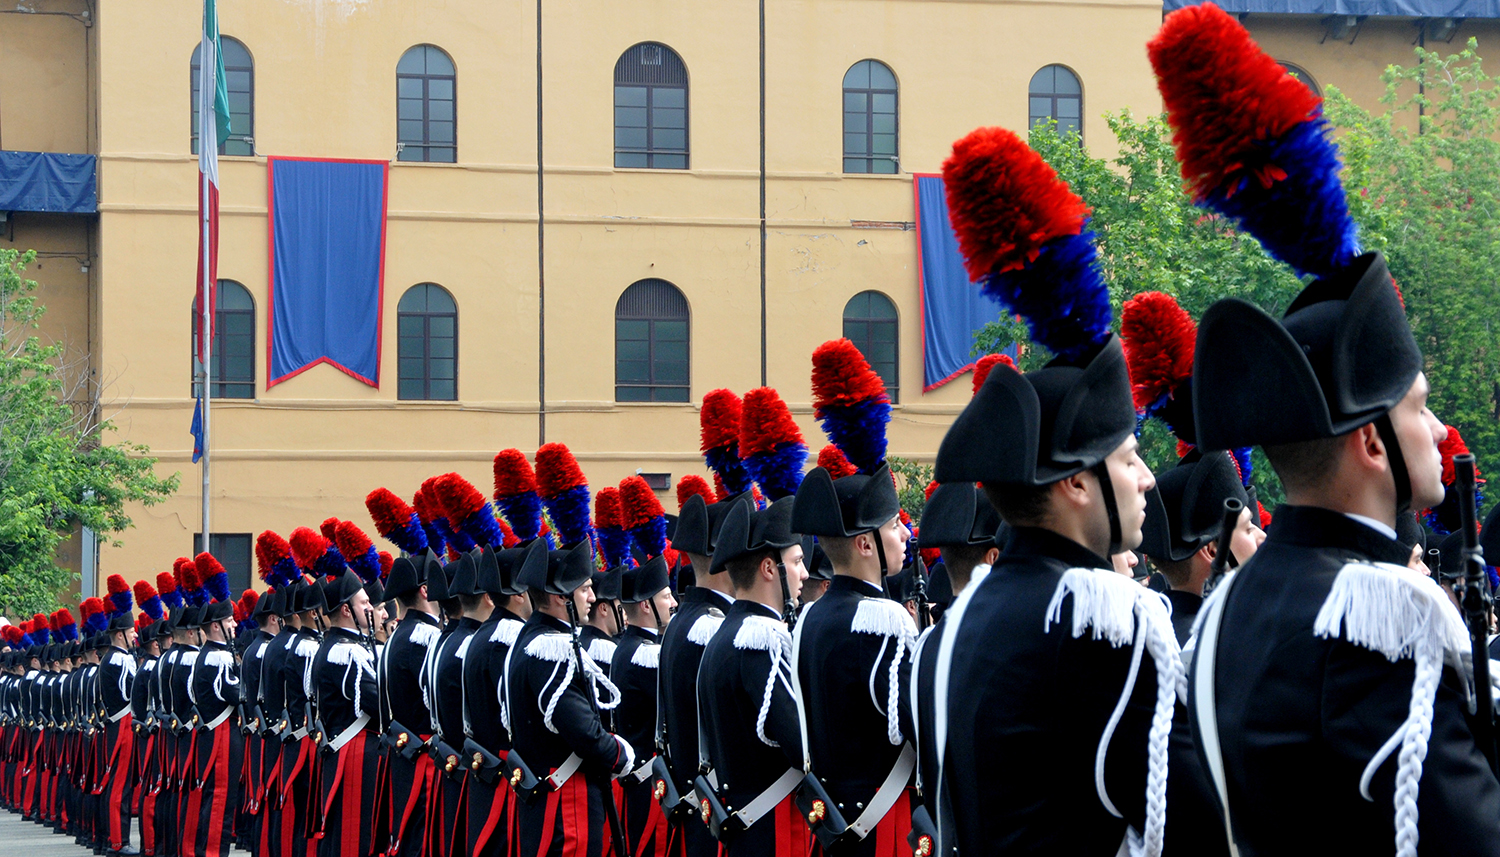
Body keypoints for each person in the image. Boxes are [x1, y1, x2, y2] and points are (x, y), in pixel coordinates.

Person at [1149, 5, 1500, 855]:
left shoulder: (1230, 604)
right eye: (1419, 405)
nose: (1439, 426)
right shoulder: (1388, 612)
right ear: (1370, 440)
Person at [933, 124, 1177, 856]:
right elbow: (1179, 824)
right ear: (1075, 480)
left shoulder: (973, 608)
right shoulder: (1112, 619)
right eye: (1129, 457)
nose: (1147, 477)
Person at [505, 540, 634, 857]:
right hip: (567, 799)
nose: (592, 597)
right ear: (560, 596)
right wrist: (623, 755)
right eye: (585, 588)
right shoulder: (553, 649)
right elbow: (583, 732)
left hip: (548, 795)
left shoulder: (530, 638)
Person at [697, 496, 809, 856]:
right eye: (796, 562)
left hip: (743, 824)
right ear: (768, 568)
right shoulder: (761, 638)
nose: (804, 573)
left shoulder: (726, 633)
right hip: (772, 828)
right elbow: (799, 743)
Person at [461, 541, 543, 857]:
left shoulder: (488, 632)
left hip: (493, 773)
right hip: (507, 778)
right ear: (519, 593)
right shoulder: (507, 637)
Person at [1140, 452, 1265, 647]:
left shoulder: (1151, 634)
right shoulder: (1225, 642)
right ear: (1213, 552)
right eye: (1249, 529)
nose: (1262, 536)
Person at [310, 571, 381, 857]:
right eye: (364, 602)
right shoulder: (347, 652)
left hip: (344, 748)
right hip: (355, 751)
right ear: (345, 610)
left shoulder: (338, 646)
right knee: (354, 836)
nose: (371, 608)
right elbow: (376, 704)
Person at [378, 552, 443, 857]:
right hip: (426, 760)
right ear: (425, 590)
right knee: (422, 840)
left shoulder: (395, 636)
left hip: (405, 756)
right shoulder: (426, 636)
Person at [185, 567, 242, 857]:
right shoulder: (219, 655)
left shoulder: (205, 653)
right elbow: (237, 695)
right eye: (230, 620)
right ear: (217, 626)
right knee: (221, 798)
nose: (235, 624)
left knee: (214, 797)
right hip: (221, 734)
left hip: (212, 733)